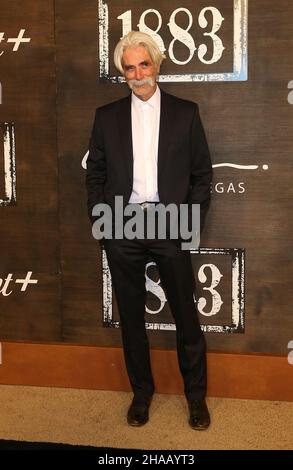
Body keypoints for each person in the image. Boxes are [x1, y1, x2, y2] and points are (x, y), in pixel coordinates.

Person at [86, 31, 212, 430]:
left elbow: (201, 176)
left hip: (170, 223)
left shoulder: (186, 112)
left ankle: (196, 397)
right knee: (132, 320)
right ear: (122, 73)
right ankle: (141, 394)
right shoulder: (105, 117)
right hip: (122, 224)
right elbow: (96, 175)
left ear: (157, 65)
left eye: (144, 64)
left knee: (186, 317)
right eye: (129, 67)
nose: (138, 74)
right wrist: (103, 223)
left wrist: (187, 223)